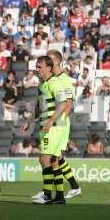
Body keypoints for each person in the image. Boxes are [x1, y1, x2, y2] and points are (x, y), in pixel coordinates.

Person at [39, 50, 81, 199]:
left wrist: (57, 123)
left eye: (48, 60)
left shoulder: (63, 80)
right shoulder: (49, 81)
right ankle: (71, 187)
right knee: (56, 159)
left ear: (56, 62)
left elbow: (68, 104)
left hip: (59, 124)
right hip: (54, 122)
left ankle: (50, 192)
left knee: (51, 159)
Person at [32, 56, 68, 205]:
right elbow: (39, 106)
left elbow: (63, 103)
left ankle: (47, 194)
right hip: (48, 125)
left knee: (44, 158)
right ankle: (59, 196)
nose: (37, 69)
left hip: (54, 126)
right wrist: (30, 121)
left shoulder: (55, 83)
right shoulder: (42, 85)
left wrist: (51, 120)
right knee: (54, 161)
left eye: (40, 67)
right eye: (36, 67)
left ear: (49, 67)